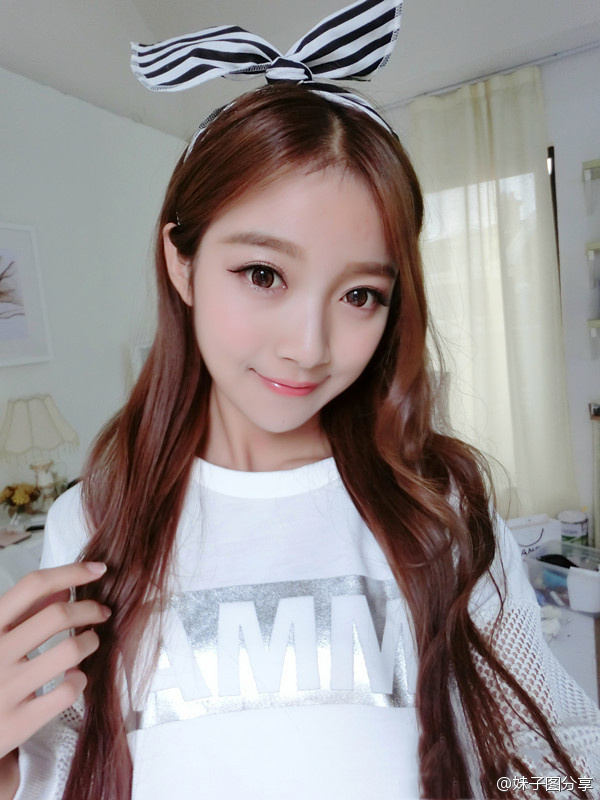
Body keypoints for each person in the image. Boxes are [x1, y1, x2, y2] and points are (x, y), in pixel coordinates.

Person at [1, 2, 599, 798]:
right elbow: (75, 767)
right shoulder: (97, 518)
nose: (309, 346)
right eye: (263, 274)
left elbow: (559, 740)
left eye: (360, 295)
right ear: (181, 262)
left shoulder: (437, 502)